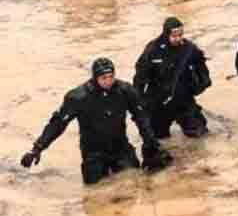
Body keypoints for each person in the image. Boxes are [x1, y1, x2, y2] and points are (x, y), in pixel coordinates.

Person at [20, 58, 173, 185]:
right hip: (93, 152)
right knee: (95, 192)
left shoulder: (125, 91)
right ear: (95, 77)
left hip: (120, 148)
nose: (108, 81)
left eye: (111, 76)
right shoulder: (78, 97)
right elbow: (58, 124)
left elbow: (141, 118)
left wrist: (151, 143)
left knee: (133, 182)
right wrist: (37, 148)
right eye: (103, 78)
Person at [134, 17, 211, 139]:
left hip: (183, 99)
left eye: (180, 35)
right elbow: (140, 77)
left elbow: (201, 67)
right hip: (159, 103)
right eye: (174, 36)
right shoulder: (153, 50)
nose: (178, 39)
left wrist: (200, 86)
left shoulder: (189, 49)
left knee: (200, 133)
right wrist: (141, 102)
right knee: (159, 139)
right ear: (166, 34)